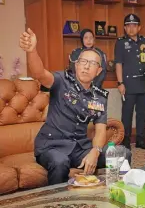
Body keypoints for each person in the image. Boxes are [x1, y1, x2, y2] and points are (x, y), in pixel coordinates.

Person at [19, 28, 132, 185]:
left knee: (122, 153)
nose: (86, 67)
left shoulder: (99, 97)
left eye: (92, 64)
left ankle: (116, 192)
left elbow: (100, 131)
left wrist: (95, 151)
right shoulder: (61, 81)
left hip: (79, 148)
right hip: (52, 146)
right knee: (60, 163)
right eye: (83, 62)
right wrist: (31, 51)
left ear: (98, 70)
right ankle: (58, 202)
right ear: (76, 65)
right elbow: (40, 74)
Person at [114, 14, 145, 150]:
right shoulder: (121, 42)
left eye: (134, 26)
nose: (131, 28)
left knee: (142, 113)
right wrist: (120, 83)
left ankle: (140, 140)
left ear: (139, 27)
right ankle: (125, 140)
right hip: (128, 85)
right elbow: (118, 64)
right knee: (127, 113)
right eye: (128, 26)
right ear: (125, 27)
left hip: (143, 83)